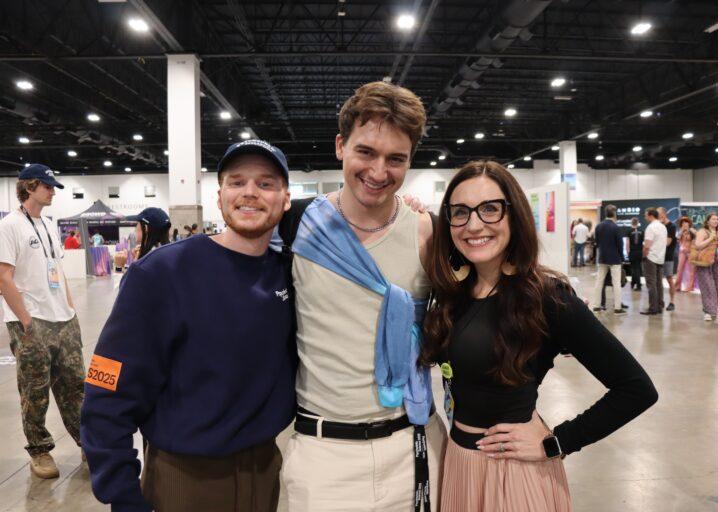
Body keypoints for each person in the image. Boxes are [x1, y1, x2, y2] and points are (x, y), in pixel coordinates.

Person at [421, 160, 657, 511]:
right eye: (460, 212)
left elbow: (636, 389)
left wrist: (557, 442)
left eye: (490, 209)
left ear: (515, 216)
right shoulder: (452, 293)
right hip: (458, 465)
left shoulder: (546, 297)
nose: (473, 224)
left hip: (513, 475)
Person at [80, 140, 295, 512]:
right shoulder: (163, 273)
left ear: (286, 199)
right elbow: (107, 387)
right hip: (184, 478)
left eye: (266, 183)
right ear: (219, 196)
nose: (250, 192)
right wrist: (121, 491)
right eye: (237, 182)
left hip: (265, 471)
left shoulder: (288, 272)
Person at [279, 81, 446, 512]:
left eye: (396, 159)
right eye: (366, 152)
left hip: (412, 444)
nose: (378, 171)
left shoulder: (428, 233)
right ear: (340, 146)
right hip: (323, 455)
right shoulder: (296, 224)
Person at [0, 164, 85, 479]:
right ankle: (39, 450)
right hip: (31, 320)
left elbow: (57, 271)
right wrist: (26, 322)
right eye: (47, 186)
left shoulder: (49, 224)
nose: (52, 192)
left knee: (76, 386)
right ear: (29, 187)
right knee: (35, 390)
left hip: (63, 318)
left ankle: (88, 442)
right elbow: (4, 277)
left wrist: (71, 309)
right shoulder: (9, 226)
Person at [592, 205, 626, 315]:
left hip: (602, 258)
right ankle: (617, 308)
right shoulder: (615, 227)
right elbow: (620, 245)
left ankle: (596, 306)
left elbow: (597, 243)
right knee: (616, 283)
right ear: (615, 213)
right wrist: (622, 258)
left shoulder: (598, 226)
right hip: (615, 259)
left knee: (599, 282)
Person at [692, 213, 718, 321]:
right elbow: (698, 245)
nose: (716, 221)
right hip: (704, 262)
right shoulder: (702, 231)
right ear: (707, 221)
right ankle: (707, 311)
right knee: (707, 286)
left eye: (717, 219)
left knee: (716, 287)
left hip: (717, 262)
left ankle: (712, 308)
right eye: (713, 219)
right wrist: (710, 238)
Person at [641, 208, 667, 316]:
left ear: (651, 215)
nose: (645, 217)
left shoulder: (650, 227)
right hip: (660, 258)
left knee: (651, 284)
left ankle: (653, 308)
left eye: (646, 215)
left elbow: (647, 245)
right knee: (659, 283)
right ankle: (659, 306)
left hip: (651, 258)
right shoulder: (663, 227)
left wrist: (644, 255)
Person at [658, 207, 677, 311]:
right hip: (658, 256)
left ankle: (672, 302)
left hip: (668, 257)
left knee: (669, 279)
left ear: (664, 214)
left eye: (659, 214)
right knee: (658, 280)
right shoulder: (659, 226)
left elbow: (667, 243)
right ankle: (660, 301)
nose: (658, 217)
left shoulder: (671, 226)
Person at [675, 217, 696, 292]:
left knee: (692, 270)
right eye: (683, 223)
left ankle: (690, 287)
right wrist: (681, 231)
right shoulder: (680, 231)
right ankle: (677, 286)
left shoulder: (692, 230)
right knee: (679, 269)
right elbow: (677, 239)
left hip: (691, 252)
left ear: (689, 223)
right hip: (683, 252)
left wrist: (690, 230)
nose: (684, 224)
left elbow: (697, 237)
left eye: (686, 222)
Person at [627, 218, 644, 290]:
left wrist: (628, 252)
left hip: (632, 252)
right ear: (637, 223)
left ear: (631, 223)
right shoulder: (642, 231)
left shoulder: (629, 231)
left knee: (634, 268)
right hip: (639, 252)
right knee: (637, 268)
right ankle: (633, 283)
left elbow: (627, 243)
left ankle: (638, 285)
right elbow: (643, 243)